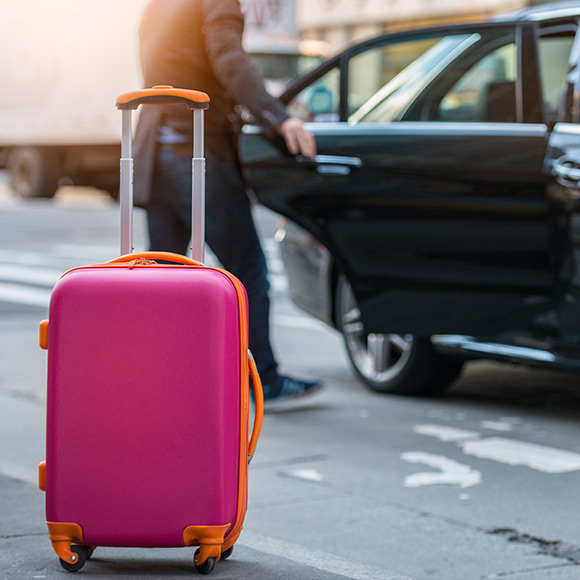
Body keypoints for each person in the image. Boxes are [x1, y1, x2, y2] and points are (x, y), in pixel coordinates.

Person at [133, 0, 323, 409]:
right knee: (248, 272)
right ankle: (264, 381)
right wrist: (279, 117)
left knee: (163, 278)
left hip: (155, 148)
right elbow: (229, 59)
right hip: (196, 149)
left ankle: (156, 380)